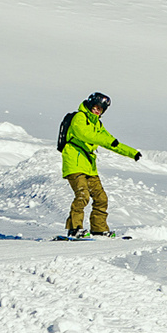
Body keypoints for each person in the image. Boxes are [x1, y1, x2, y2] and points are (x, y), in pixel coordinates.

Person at [58, 91, 141, 238]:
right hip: (74, 162)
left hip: (89, 166)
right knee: (82, 195)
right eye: (96, 107)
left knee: (101, 198)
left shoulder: (97, 124)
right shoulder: (79, 117)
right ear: (90, 105)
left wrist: (132, 152)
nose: (97, 110)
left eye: (100, 109)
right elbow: (86, 135)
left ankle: (99, 229)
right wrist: (108, 141)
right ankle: (74, 228)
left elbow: (111, 141)